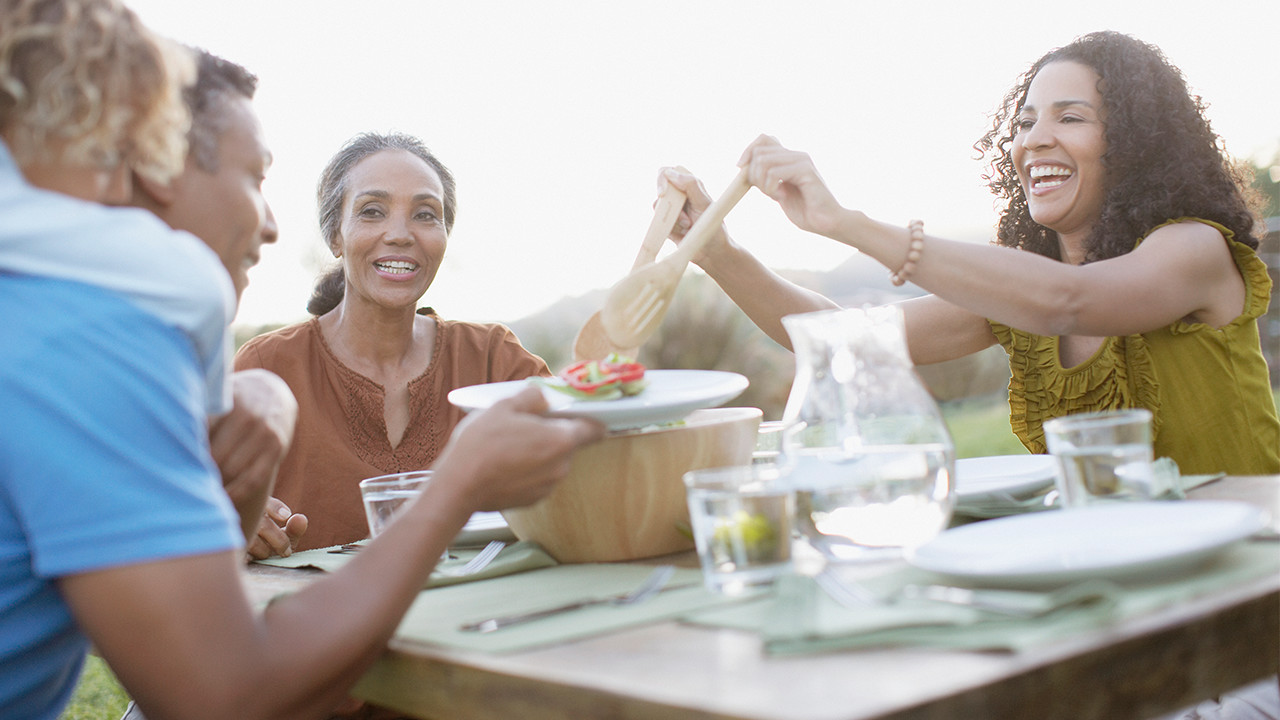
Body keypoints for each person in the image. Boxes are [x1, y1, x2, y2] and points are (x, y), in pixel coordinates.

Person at [0, 4, 604, 720]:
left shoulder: (46, 320)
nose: (268, 222)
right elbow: (220, 692)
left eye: (427, 213)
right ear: (153, 168)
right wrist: (458, 484)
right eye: (255, 178)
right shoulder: (87, 343)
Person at [660, 31, 1280, 477]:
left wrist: (849, 224)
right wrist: (717, 252)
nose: (1035, 140)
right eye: (1025, 122)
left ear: (1139, 142)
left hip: (1253, 574)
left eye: (1071, 118)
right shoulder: (1016, 295)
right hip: (1126, 588)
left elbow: (1072, 302)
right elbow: (836, 337)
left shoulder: (1192, 249)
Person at [234, 131, 553, 552]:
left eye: (425, 215)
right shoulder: (268, 366)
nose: (401, 234)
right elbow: (191, 500)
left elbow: (592, 444)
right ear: (335, 236)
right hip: (320, 613)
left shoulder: (494, 360)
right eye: (372, 211)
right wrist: (237, 517)